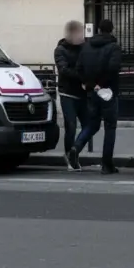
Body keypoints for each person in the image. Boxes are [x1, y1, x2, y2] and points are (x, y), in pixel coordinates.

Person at [68, 19, 122, 175]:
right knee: (110, 127)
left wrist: (89, 84)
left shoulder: (87, 47)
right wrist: (101, 83)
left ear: (98, 29)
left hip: (91, 91)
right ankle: (107, 164)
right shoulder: (114, 47)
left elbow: (79, 68)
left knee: (92, 124)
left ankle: (75, 148)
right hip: (108, 92)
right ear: (112, 29)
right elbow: (113, 68)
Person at [54, 20, 87, 171]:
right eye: (79, 33)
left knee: (89, 125)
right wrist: (82, 77)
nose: (81, 36)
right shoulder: (60, 50)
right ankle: (69, 155)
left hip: (83, 93)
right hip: (67, 93)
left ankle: (75, 151)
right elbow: (64, 70)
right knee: (71, 126)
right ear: (71, 34)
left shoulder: (85, 48)